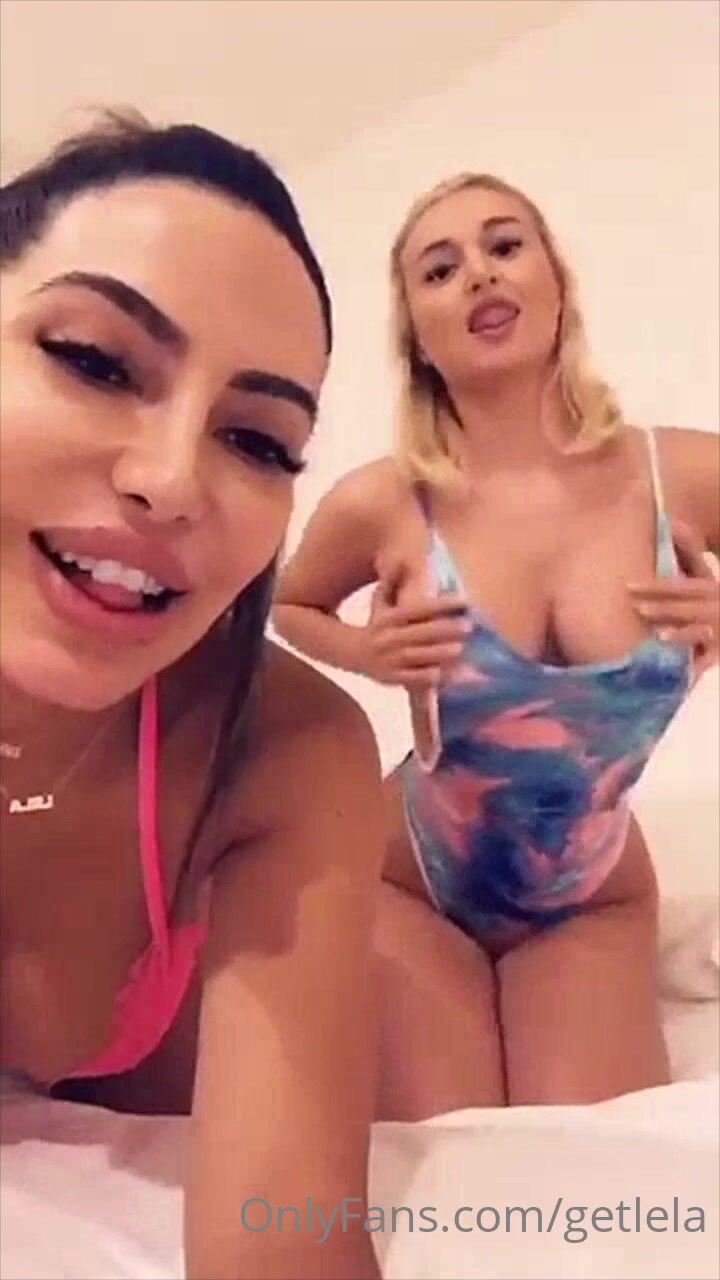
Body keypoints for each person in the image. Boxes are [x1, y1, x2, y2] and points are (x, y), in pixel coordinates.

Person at [0, 113, 385, 1280]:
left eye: (258, 440)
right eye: (96, 360)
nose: (171, 481)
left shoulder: (286, 747)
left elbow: (286, 1247)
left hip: (341, 974)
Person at [274, 171, 720, 1120]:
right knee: (458, 1146)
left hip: (589, 896)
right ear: (417, 336)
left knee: (587, 1168)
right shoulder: (386, 501)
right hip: (411, 882)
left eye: (505, 245)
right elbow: (289, 605)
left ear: (557, 281)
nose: (479, 273)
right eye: (440, 270)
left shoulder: (678, 472)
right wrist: (365, 652)